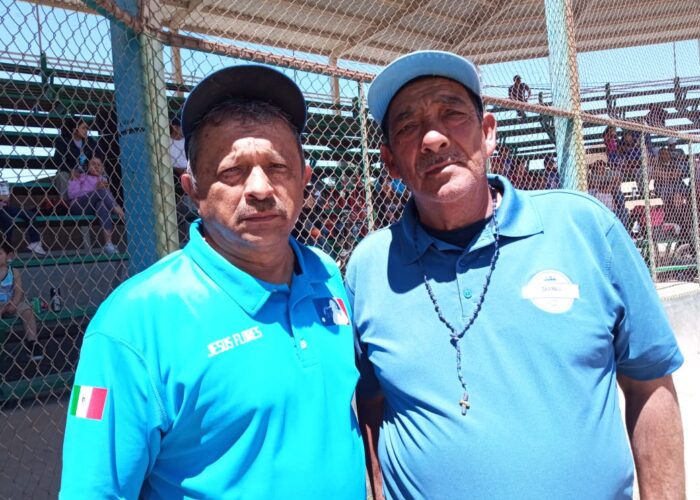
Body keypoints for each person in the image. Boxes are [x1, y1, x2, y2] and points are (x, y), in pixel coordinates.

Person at [346, 50, 684, 500]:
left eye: (453, 113)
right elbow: (370, 405)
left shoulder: (585, 228)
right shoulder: (369, 266)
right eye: (408, 126)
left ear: (488, 133)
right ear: (390, 162)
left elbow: (650, 385)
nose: (433, 138)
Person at [60, 65, 365, 499]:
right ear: (193, 188)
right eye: (232, 171)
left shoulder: (327, 275)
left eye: (278, 166)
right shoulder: (133, 324)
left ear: (304, 179)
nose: (260, 188)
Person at [67, 157, 124, 255]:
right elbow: (72, 194)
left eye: (99, 165)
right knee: (101, 192)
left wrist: (102, 190)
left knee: (101, 204)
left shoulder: (103, 179)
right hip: (79, 206)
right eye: (93, 164)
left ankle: (108, 244)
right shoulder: (79, 176)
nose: (97, 167)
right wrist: (95, 189)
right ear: (87, 167)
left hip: (94, 208)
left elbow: (107, 198)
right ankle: (120, 212)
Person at [0, 240, 42, 360]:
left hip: (11, 301)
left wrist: (13, 304)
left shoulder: (13, 272)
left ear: (8, 256)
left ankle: (32, 342)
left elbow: (18, 291)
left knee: (27, 311)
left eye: (0, 254)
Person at [0, 180, 47, 255]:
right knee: (7, 222)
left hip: (5, 207)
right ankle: (7, 251)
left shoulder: (2, 183)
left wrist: (4, 195)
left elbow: (6, 198)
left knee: (30, 215)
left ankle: (35, 243)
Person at [52, 118, 95, 199]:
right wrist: (70, 170)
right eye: (83, 128)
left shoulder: (90, 141)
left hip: (86, 171)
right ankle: (65, 203)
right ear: (74, 129)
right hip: (69, 172)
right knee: (62, 176)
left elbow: (96, 156)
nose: (86, 131)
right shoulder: (63, 141)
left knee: (102, 174)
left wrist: (91, 168)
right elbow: (58, 160)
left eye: (87, 128)